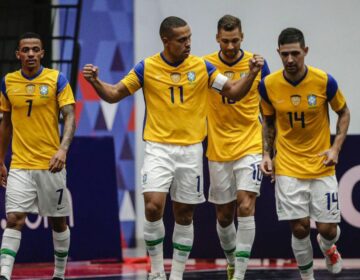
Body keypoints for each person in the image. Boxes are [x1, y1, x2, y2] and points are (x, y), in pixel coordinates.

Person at [82, 16, 263, 280]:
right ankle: (156, 271)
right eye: (182, 40)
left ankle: (176, 274)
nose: (188, 43)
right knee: (153, 206)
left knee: (184, 214)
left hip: (190, 150)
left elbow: (234, 92)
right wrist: (96, 82)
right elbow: (115, 94)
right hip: (158, 148)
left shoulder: (203, 67)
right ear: (166, 41)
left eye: (189, 38)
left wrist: (252, 73)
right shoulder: (147, 67)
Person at [259, 27, 350, 280]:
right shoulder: (268, 85)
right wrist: (267, 154)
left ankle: (329, 247)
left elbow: (343, 112)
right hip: (288, 165)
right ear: (278, 53)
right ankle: (307, 277)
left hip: (321, 163)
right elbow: (267, 121)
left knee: (327, 229)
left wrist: (335, 148)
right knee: (299, 228)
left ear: (305, 51)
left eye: (295, 54)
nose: (290, 60)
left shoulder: (324, 81)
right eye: (284, 54)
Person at [0, 32, 76, 280]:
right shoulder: (8, 82)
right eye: (26, 50)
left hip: (50, 165)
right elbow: (5, 124)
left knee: (58, 222)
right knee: (14, 219)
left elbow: (70, 116)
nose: (31, 54)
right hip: (20, 165)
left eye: (35, 49)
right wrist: (1, 159)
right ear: (18, 54)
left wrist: (63, 149)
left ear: (42, 53)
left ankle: (59, 274)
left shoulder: (57, 79)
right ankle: (4, 275)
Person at [203, 15, 270, 280]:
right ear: (217, 39)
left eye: (235, 40)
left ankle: (240, 273)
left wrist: (267, 151)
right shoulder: (206, 65)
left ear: (242, 37)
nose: (230, 46)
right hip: (218, 148)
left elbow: (268, 111)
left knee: (246, 205)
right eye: (225, 41)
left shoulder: (257, 65)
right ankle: (231, 260)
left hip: (250, 144)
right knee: (223, 214)